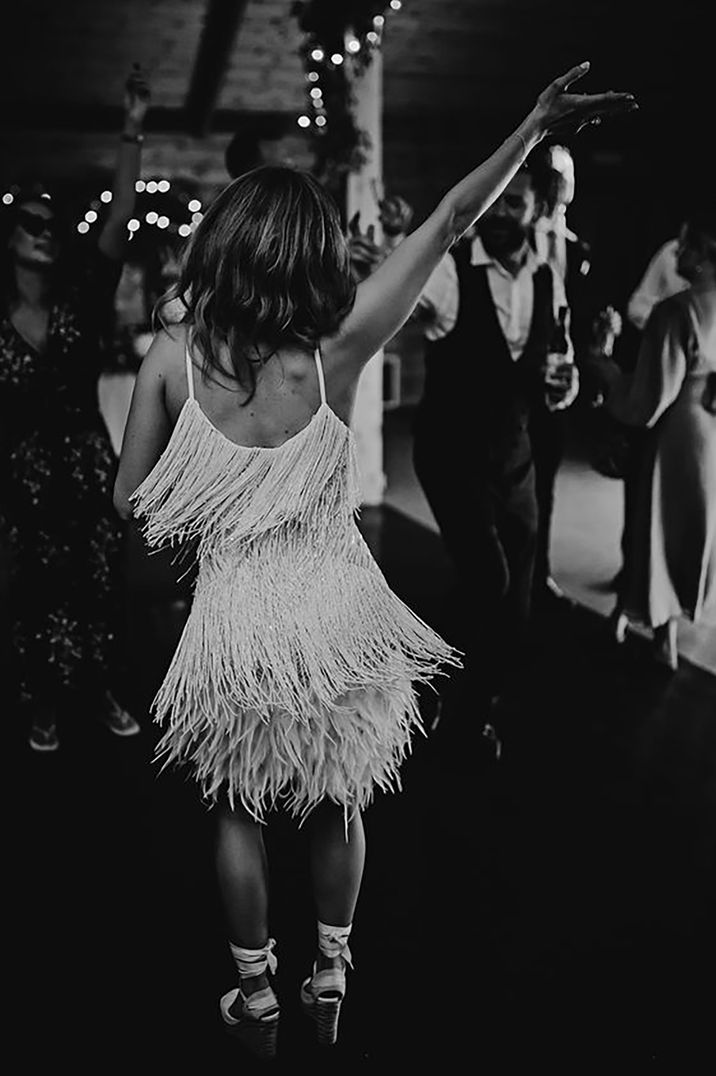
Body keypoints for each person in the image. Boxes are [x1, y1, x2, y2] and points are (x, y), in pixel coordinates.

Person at [112, 63, 635, 1059]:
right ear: (305, 253)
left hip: (236, 612)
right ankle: (333, 969)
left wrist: (203, 510)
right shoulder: (332, 348)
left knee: (234, 807)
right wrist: (530, 123)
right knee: (338, 795)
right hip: (336, 606)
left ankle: (256, 987)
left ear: (224, 245)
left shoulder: (167, 363)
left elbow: (129, 512)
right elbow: (445, 221)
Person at [0, 65, 150, 751]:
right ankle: (43, 706)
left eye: (50, 223)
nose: (44, 231)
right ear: (9, 237)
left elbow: (120, 214)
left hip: (88, 462)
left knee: (97, 585)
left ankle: (103, 691)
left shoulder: (83, 295)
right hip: (23, 472)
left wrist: (132, 125)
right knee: (33, 592)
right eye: (29, 221)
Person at [412, 154, 579, 749]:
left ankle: (472, 703)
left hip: (516, 460)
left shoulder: (548, 279)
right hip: (449, 455)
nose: (502, 213)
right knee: (489, 579)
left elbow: (558, 365)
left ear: (536, 208)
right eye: (497, 200)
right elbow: (406, 310)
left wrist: (566, 385)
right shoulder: (449, 273)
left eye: (515, 202)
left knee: (518, 603)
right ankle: (430, 689)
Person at [594, 208, 716, 669]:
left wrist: (602, 365)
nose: (676, 252)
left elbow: (644, 405)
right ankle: (636, 619)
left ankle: (659, 636)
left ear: (705, 254)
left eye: (685, 246)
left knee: (653, 527)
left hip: (670, 437)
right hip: (708, 436)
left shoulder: (676, 311)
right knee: (690, 528)